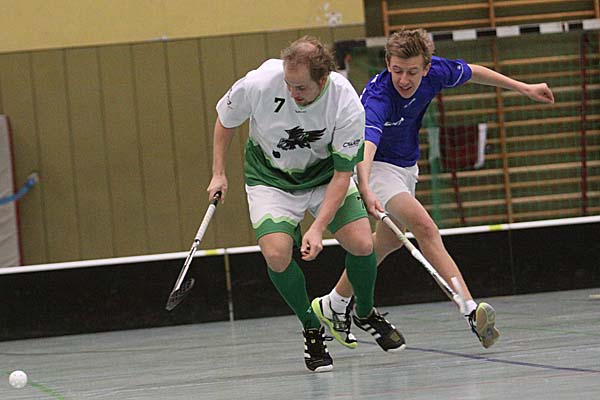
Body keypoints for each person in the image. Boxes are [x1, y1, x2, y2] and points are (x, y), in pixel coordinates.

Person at [312, 28, 555, 350]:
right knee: (425, 227)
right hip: (374, 166)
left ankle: (334, 302)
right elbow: (367, 146)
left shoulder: (436, 72)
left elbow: (473, 72)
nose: (404, 79)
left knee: (386, 243)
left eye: (412, 72)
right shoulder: (378, 97)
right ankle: (470, 309)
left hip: (405, 167)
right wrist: (366, 187)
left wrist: (524, 87)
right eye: (397, 70)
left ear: (426, 68)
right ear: (388, 63)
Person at [207, 36, 405, 373]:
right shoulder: (258, 83)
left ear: (323, 78)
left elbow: (342, 174)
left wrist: (317, 227)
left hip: (325, 175)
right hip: (270, 178)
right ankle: (311, 325)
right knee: (276, 254)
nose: (292, 92)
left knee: (361, 243)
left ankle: (364, 312)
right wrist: (218, 173)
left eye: (300, 87)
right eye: (288, 83)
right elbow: (226, 120)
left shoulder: (346, 103)